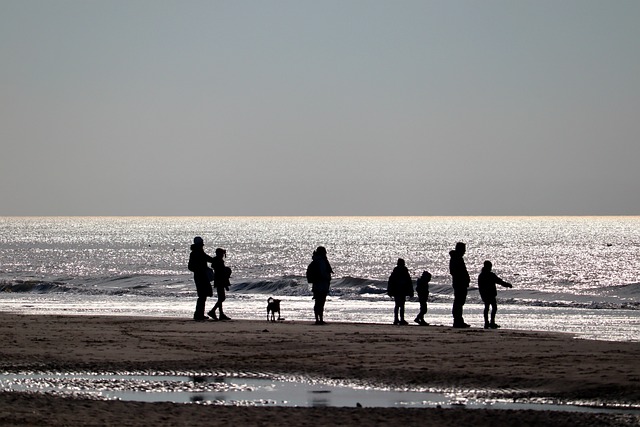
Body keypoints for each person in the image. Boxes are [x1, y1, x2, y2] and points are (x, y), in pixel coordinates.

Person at [478, 260, 513, 329]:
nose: (491, 268)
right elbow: (500, 281)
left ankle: (487, 322)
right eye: (490, 267)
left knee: (487, 307)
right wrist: (507, 285)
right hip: (490, 294)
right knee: (493, 307)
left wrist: (482, 293)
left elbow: (480, 286)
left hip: (485, 294)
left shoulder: (481, 275)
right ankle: (491, 322)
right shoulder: (490, 275)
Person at [187, 236, 215, 321]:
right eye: (201, 243)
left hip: (200, 275)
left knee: (203, 295)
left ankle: (199, 314)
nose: (203, 245)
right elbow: (191, 266)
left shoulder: (197, 252)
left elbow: (208, 259)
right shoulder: (197, 253)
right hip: (200, 276)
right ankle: (198, 314)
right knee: (202, 295)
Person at [306, 246, 333, 325]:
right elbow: (324, 273)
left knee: (318, 302)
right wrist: (327, 278)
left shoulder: (315, 261)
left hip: (316, 284)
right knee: (321, 302)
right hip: (322, 284)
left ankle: (318, 319)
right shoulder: (322, 261)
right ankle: (320, 319)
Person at [449, 242, 471, 328]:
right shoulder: (456, 258)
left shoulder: (457, 258)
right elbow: (454, 271)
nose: (464, 251)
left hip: (460, 283)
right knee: (458, 302)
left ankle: (458, 320)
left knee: (460, 302)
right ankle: (457, 320)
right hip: (459, 283)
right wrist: (462, 278)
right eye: (463, 249)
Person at [387, 258, 414, 325]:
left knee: (398, 305)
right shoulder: (403, 271)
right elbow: (409, 281)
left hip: (398, 290)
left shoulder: (396, 271)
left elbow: (390, 282)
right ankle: (400, 319)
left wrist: (390, 290)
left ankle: (397, 319)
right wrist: (410, 291)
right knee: (401, 305)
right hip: (401, 290)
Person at [209, 248, 231, 321]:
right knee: (222, 298)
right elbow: (222, 273)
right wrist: (226, 285)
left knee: (220, 298)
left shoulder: (216, 261)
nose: (223, 255)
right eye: (222, 254)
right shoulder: (219, 261)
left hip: (218, 280)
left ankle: (221, 313)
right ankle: (213, 311)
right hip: (220, 280)